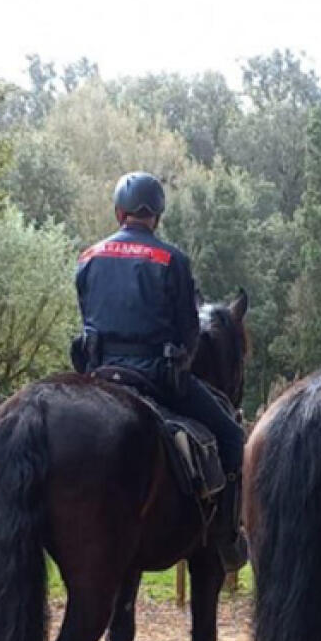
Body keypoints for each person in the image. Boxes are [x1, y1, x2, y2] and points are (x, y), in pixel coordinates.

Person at [74, 171, 247, 570]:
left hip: (100, 375)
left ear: (119, 212)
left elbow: (87, 319)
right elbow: (189, 332)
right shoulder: (172, 260)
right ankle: (226, 537)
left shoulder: (87, 257)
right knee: (232, 437)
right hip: (155, 377)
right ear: (158, 216)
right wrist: (178, 363)